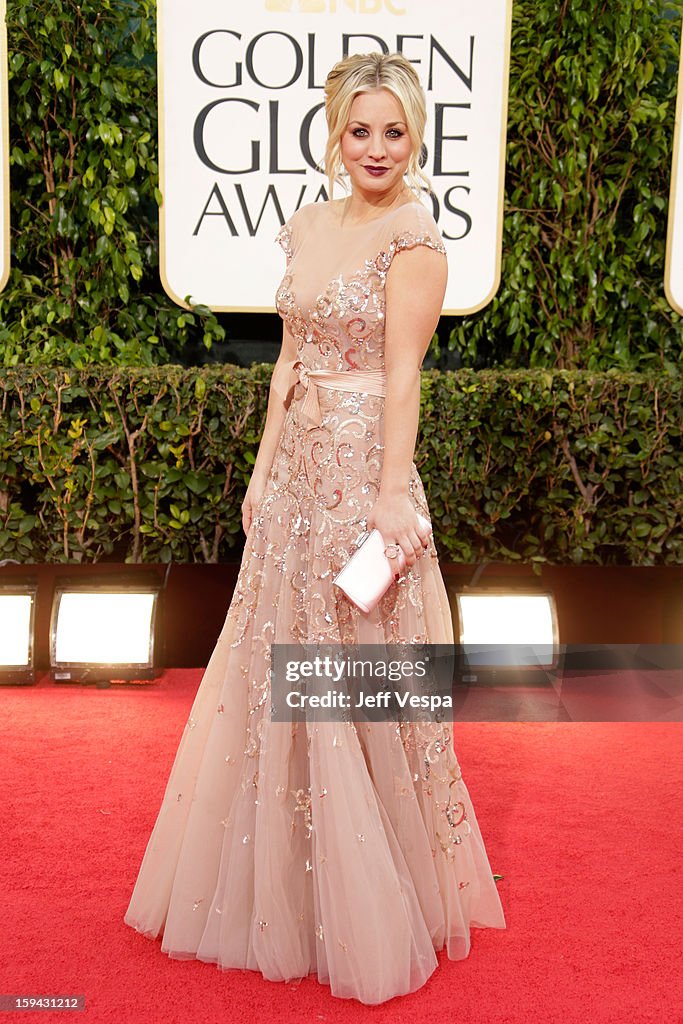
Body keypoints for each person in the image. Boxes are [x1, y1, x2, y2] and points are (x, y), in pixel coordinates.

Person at [124, 51, 506, 1005]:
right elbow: (288, 360)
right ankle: (291, 884)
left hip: (357, 480)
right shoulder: (306, 224)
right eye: (358, 128)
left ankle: (379, 890)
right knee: (277, 667)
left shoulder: (415, 243)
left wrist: (386, 495)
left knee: (356, 675)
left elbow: (403, 378)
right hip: (296, 480)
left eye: (393, 129)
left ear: (418, 136)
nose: (376, 146)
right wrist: (259, 471)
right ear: (335, 134)